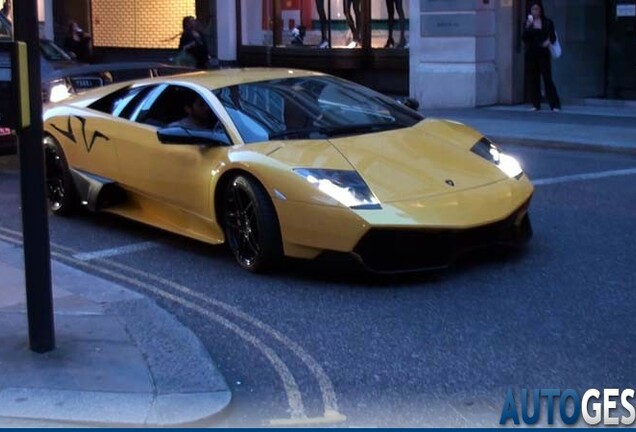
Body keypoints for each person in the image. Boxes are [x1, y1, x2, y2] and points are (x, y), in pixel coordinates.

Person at [523, 1, 561, 111]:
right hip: (532, 53)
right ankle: (536, 104)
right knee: (533, 79)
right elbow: (524, 38)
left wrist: (548, 42)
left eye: (537, 9)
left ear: (541, 10)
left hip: (543, 53)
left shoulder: (547, 22)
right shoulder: (528, 23)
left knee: (547, 78)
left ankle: (554, 104)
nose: (535, 12)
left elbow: (553, 37)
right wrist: (527, 27)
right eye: (533, 9)